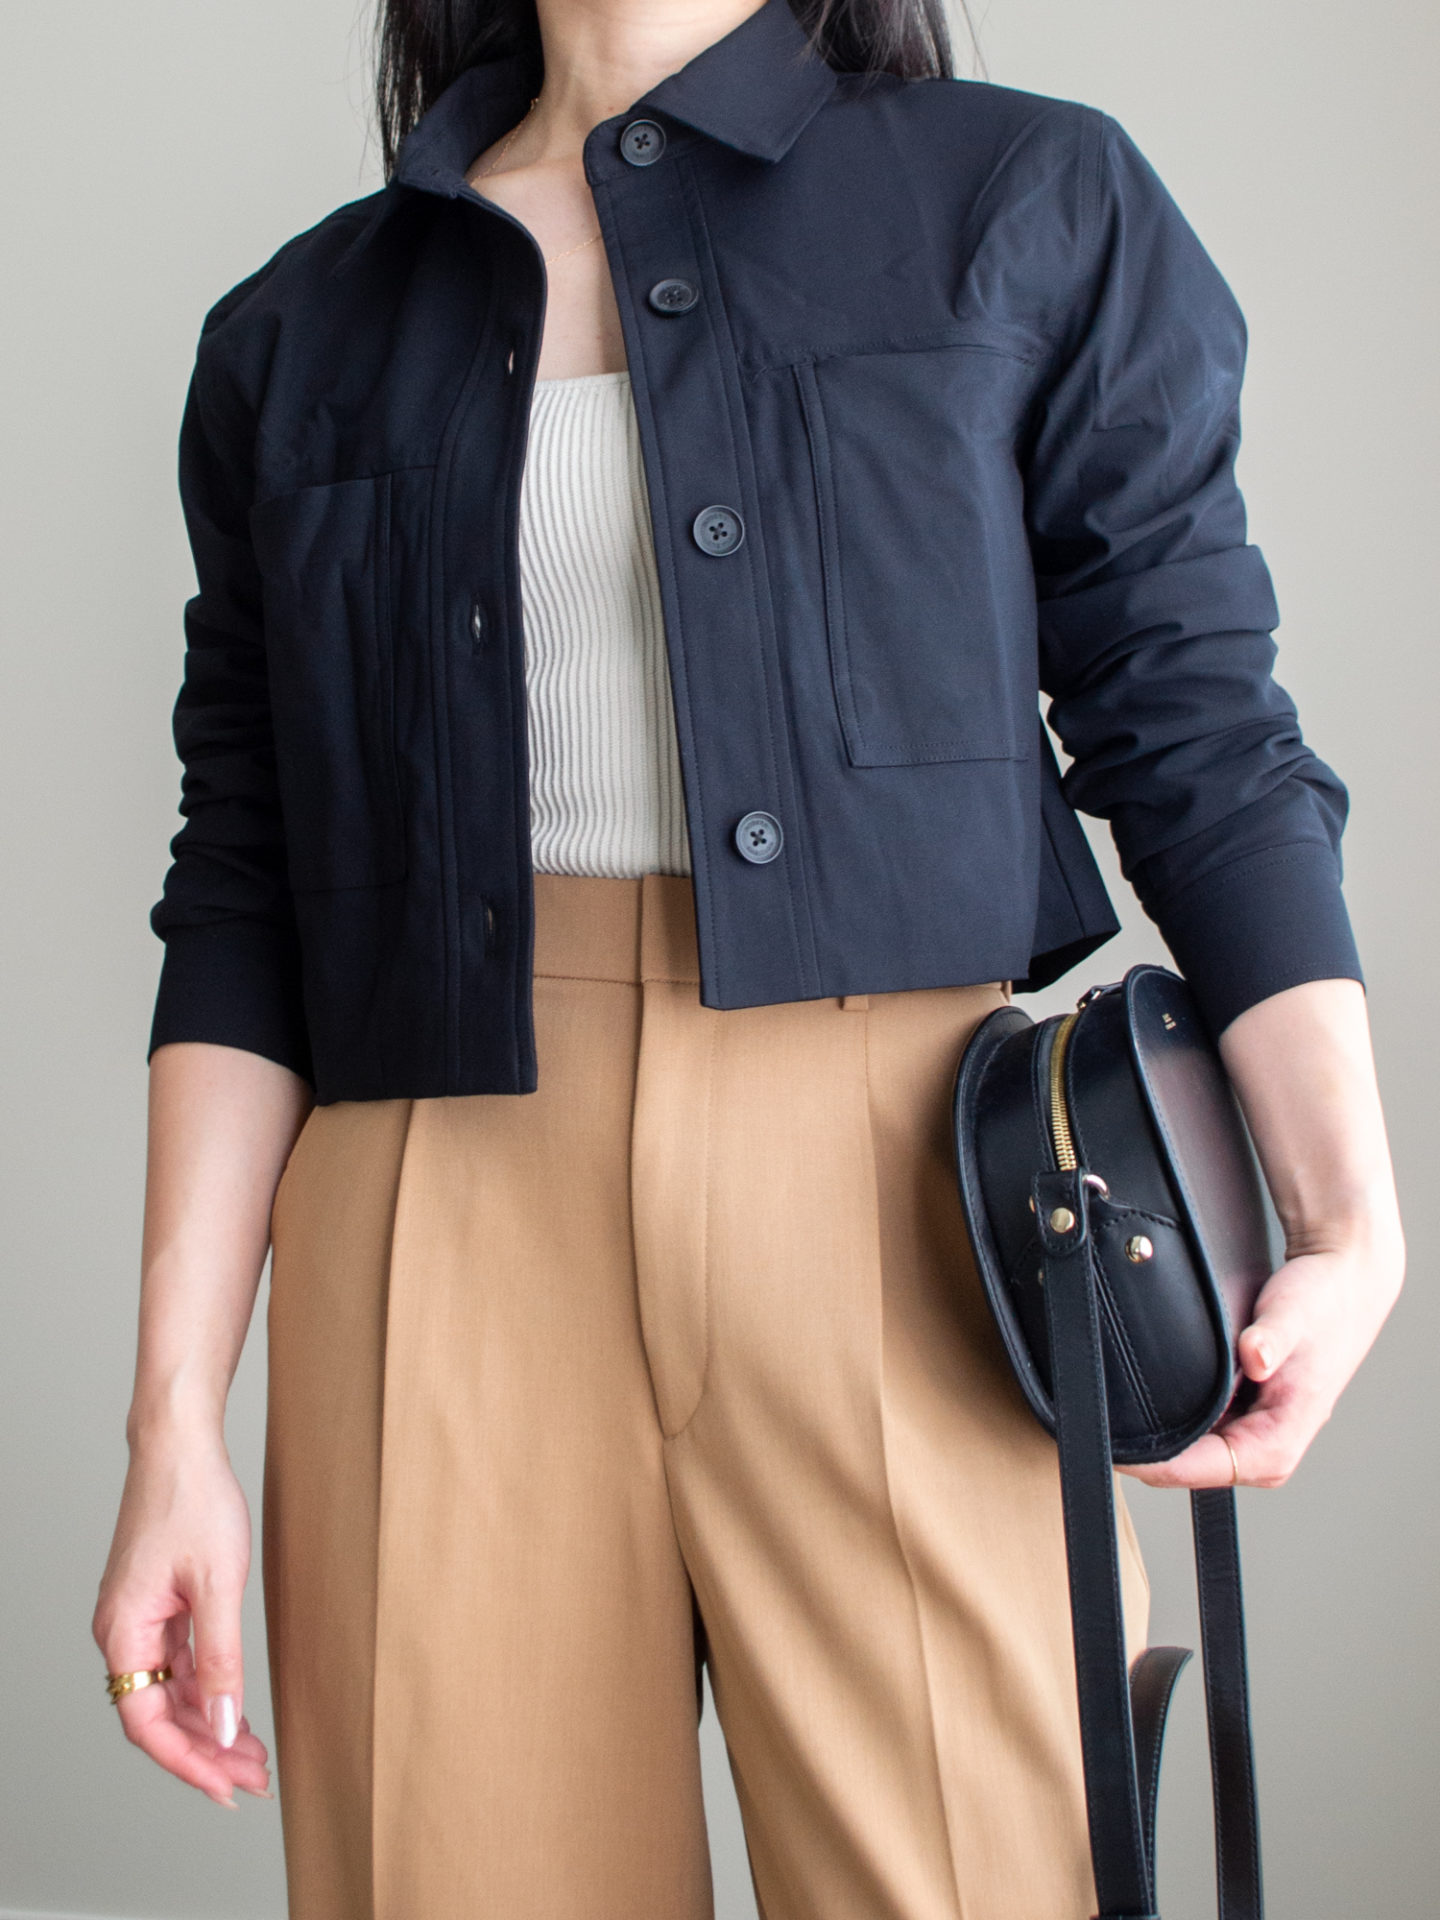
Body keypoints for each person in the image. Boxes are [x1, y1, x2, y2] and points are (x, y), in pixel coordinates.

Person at [92, 0, 1405, 1914]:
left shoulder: (1026, 202)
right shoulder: (300, 332)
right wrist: (170, 1428)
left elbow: (1194, 723)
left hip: (907, 1198)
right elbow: (245, 876)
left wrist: (1349, 1215)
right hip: (434, 1207)